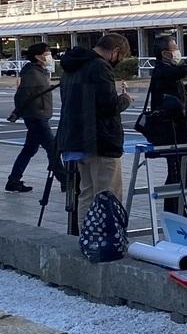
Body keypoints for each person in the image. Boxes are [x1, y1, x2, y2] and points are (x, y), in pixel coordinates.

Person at [57, 34, 133, 230]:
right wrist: (125, 99)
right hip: (101, 140)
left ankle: (87, 235)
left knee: (87, 193)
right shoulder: (100, 67)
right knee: (108, 194)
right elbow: (108, 106)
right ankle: (107, 237)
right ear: (115, 51)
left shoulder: (73, 66)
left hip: (77, 139)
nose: (119, 60)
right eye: (121, 56)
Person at [147, 35, 187, 217]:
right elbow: (184, 70)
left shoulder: (167, 71)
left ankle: (178, 209)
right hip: (172, 131)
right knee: (176, 171)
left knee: (182, 170)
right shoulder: (163, 70)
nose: (177, 51)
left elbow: (175, 95)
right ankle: (174, 211)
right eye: (174, 48)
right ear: (165, 53)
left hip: (178, 129)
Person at [7, 43, 61, 193]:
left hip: (38, 114)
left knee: (29, 149)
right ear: (38, 56)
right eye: (47, 53)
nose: (50, 57)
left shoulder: (39, 71)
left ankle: (13, 180)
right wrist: (19, 112)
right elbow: (22, 96)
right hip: (36, 116)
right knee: (52, 148)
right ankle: (65, 180)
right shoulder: (32, 73)